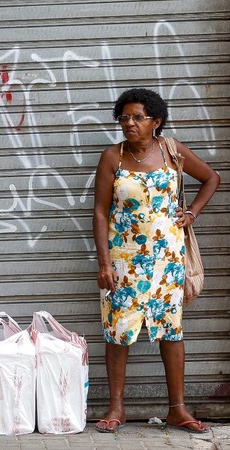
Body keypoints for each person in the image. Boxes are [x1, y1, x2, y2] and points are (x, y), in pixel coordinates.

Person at [92, 88, 220, 433]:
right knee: (119, 331)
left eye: (137, 117)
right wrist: (104, 263)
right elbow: (101, 212)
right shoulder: (112, 157)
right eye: (124, 118)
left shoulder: (171, 150)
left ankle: (178, 409)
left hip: (167, 259)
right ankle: (116, 407)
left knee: (171, 331)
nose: (129, 124)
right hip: (123, 259)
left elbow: (212, 178)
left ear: (156, 122)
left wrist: (191, 212)